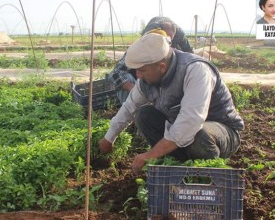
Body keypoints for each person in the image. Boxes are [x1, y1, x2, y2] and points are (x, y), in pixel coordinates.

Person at [99, 33, 244, 175]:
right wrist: (108, 138)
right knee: (143, 115)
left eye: (142, 70)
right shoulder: (147, 80)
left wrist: (150, 155)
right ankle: (176, 166)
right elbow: (129, 107)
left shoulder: (195, 70)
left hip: (222, 132)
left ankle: (207, 177)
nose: (138, 75)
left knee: (199, 135)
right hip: (184, 131)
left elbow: (191, 121)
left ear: (161, 67)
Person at [108, 16, 193, 104]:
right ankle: (136, 113)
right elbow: (115, 73)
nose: (165, 42)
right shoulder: (141, 49)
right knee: (127, 79)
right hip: (141, 87)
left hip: (166, 94)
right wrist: (133, 89)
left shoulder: (178, 54)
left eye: (169, 40)